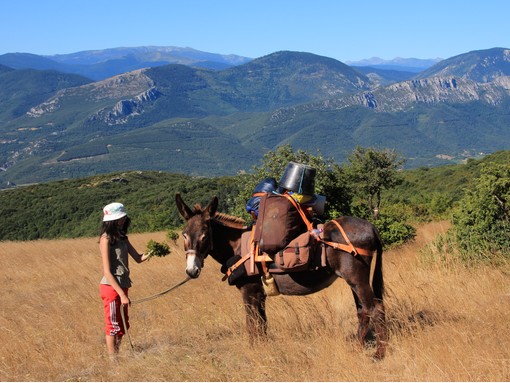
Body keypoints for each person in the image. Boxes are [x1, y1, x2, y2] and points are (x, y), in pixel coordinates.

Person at [99, 202, 149, 356]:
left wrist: (154, 251)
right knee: (113, 325)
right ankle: (113, 361)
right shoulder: (105, 239)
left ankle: (117, 354)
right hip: (111, 288)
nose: (122, 221)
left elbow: (138, 258)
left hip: (123, 285)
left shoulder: (122, 237)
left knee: (122, 324)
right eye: (119, 219)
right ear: (111, 221)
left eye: (123, 218)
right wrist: (121, 294)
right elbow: (107, 272)